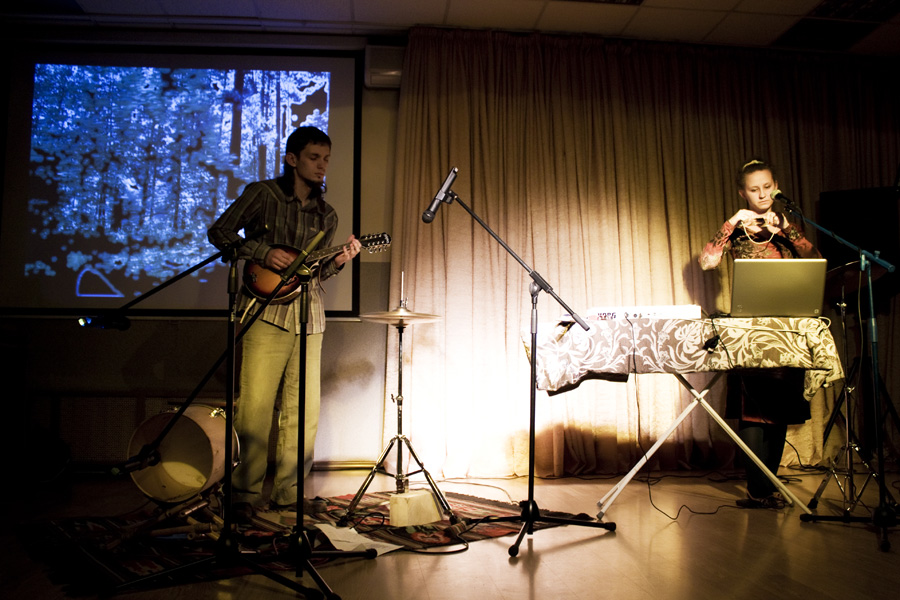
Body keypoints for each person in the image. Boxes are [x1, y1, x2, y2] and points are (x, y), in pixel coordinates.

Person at [208, 126, 361, 516]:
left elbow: (315, 274)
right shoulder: (263, 194)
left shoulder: (327, 215)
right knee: (255, 408)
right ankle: (243, 496)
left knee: (302, 411)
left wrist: (338, 261)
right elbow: (220, 231)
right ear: (292, 159)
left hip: (309, 316)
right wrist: (262, 252)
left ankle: (289, 493)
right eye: (314, 157)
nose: (322, 166)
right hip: (266, 312)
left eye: (326, 159)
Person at [699, 158, 820, 509]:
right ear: (743, 193)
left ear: (776, 186)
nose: (762, 194)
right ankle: (758, 488)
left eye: (767, 187)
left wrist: (787, 228)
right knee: (751, 407)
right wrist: (731, 222)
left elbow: (814, 259)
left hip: (786, 324)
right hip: (750, 327)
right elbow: (707, 261)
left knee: (780, 406)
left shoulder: (787, 226)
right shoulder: (737, 229)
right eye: (754, 189)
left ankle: (769, 485)